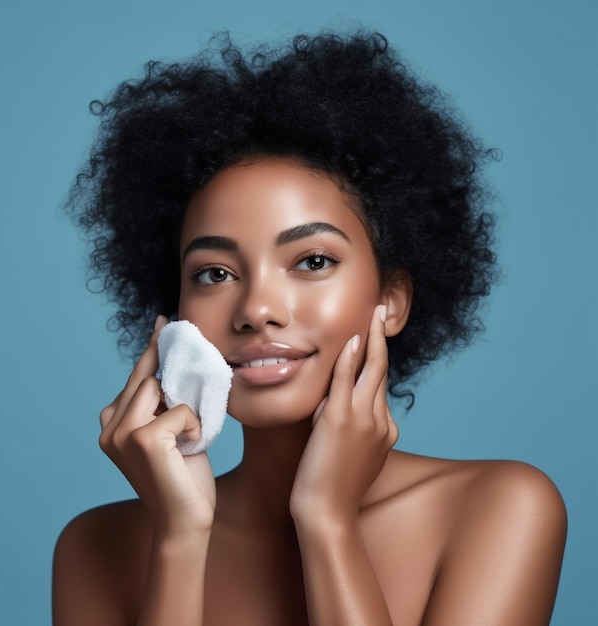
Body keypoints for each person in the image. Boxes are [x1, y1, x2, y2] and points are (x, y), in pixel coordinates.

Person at [52, 31, 566, 625]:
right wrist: (180, 539)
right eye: (215, 272)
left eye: (313, 261)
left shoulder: (499, 508)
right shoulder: (98, 546)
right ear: (177, 317)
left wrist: (326, 520)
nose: (256, 309)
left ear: (392, 301)